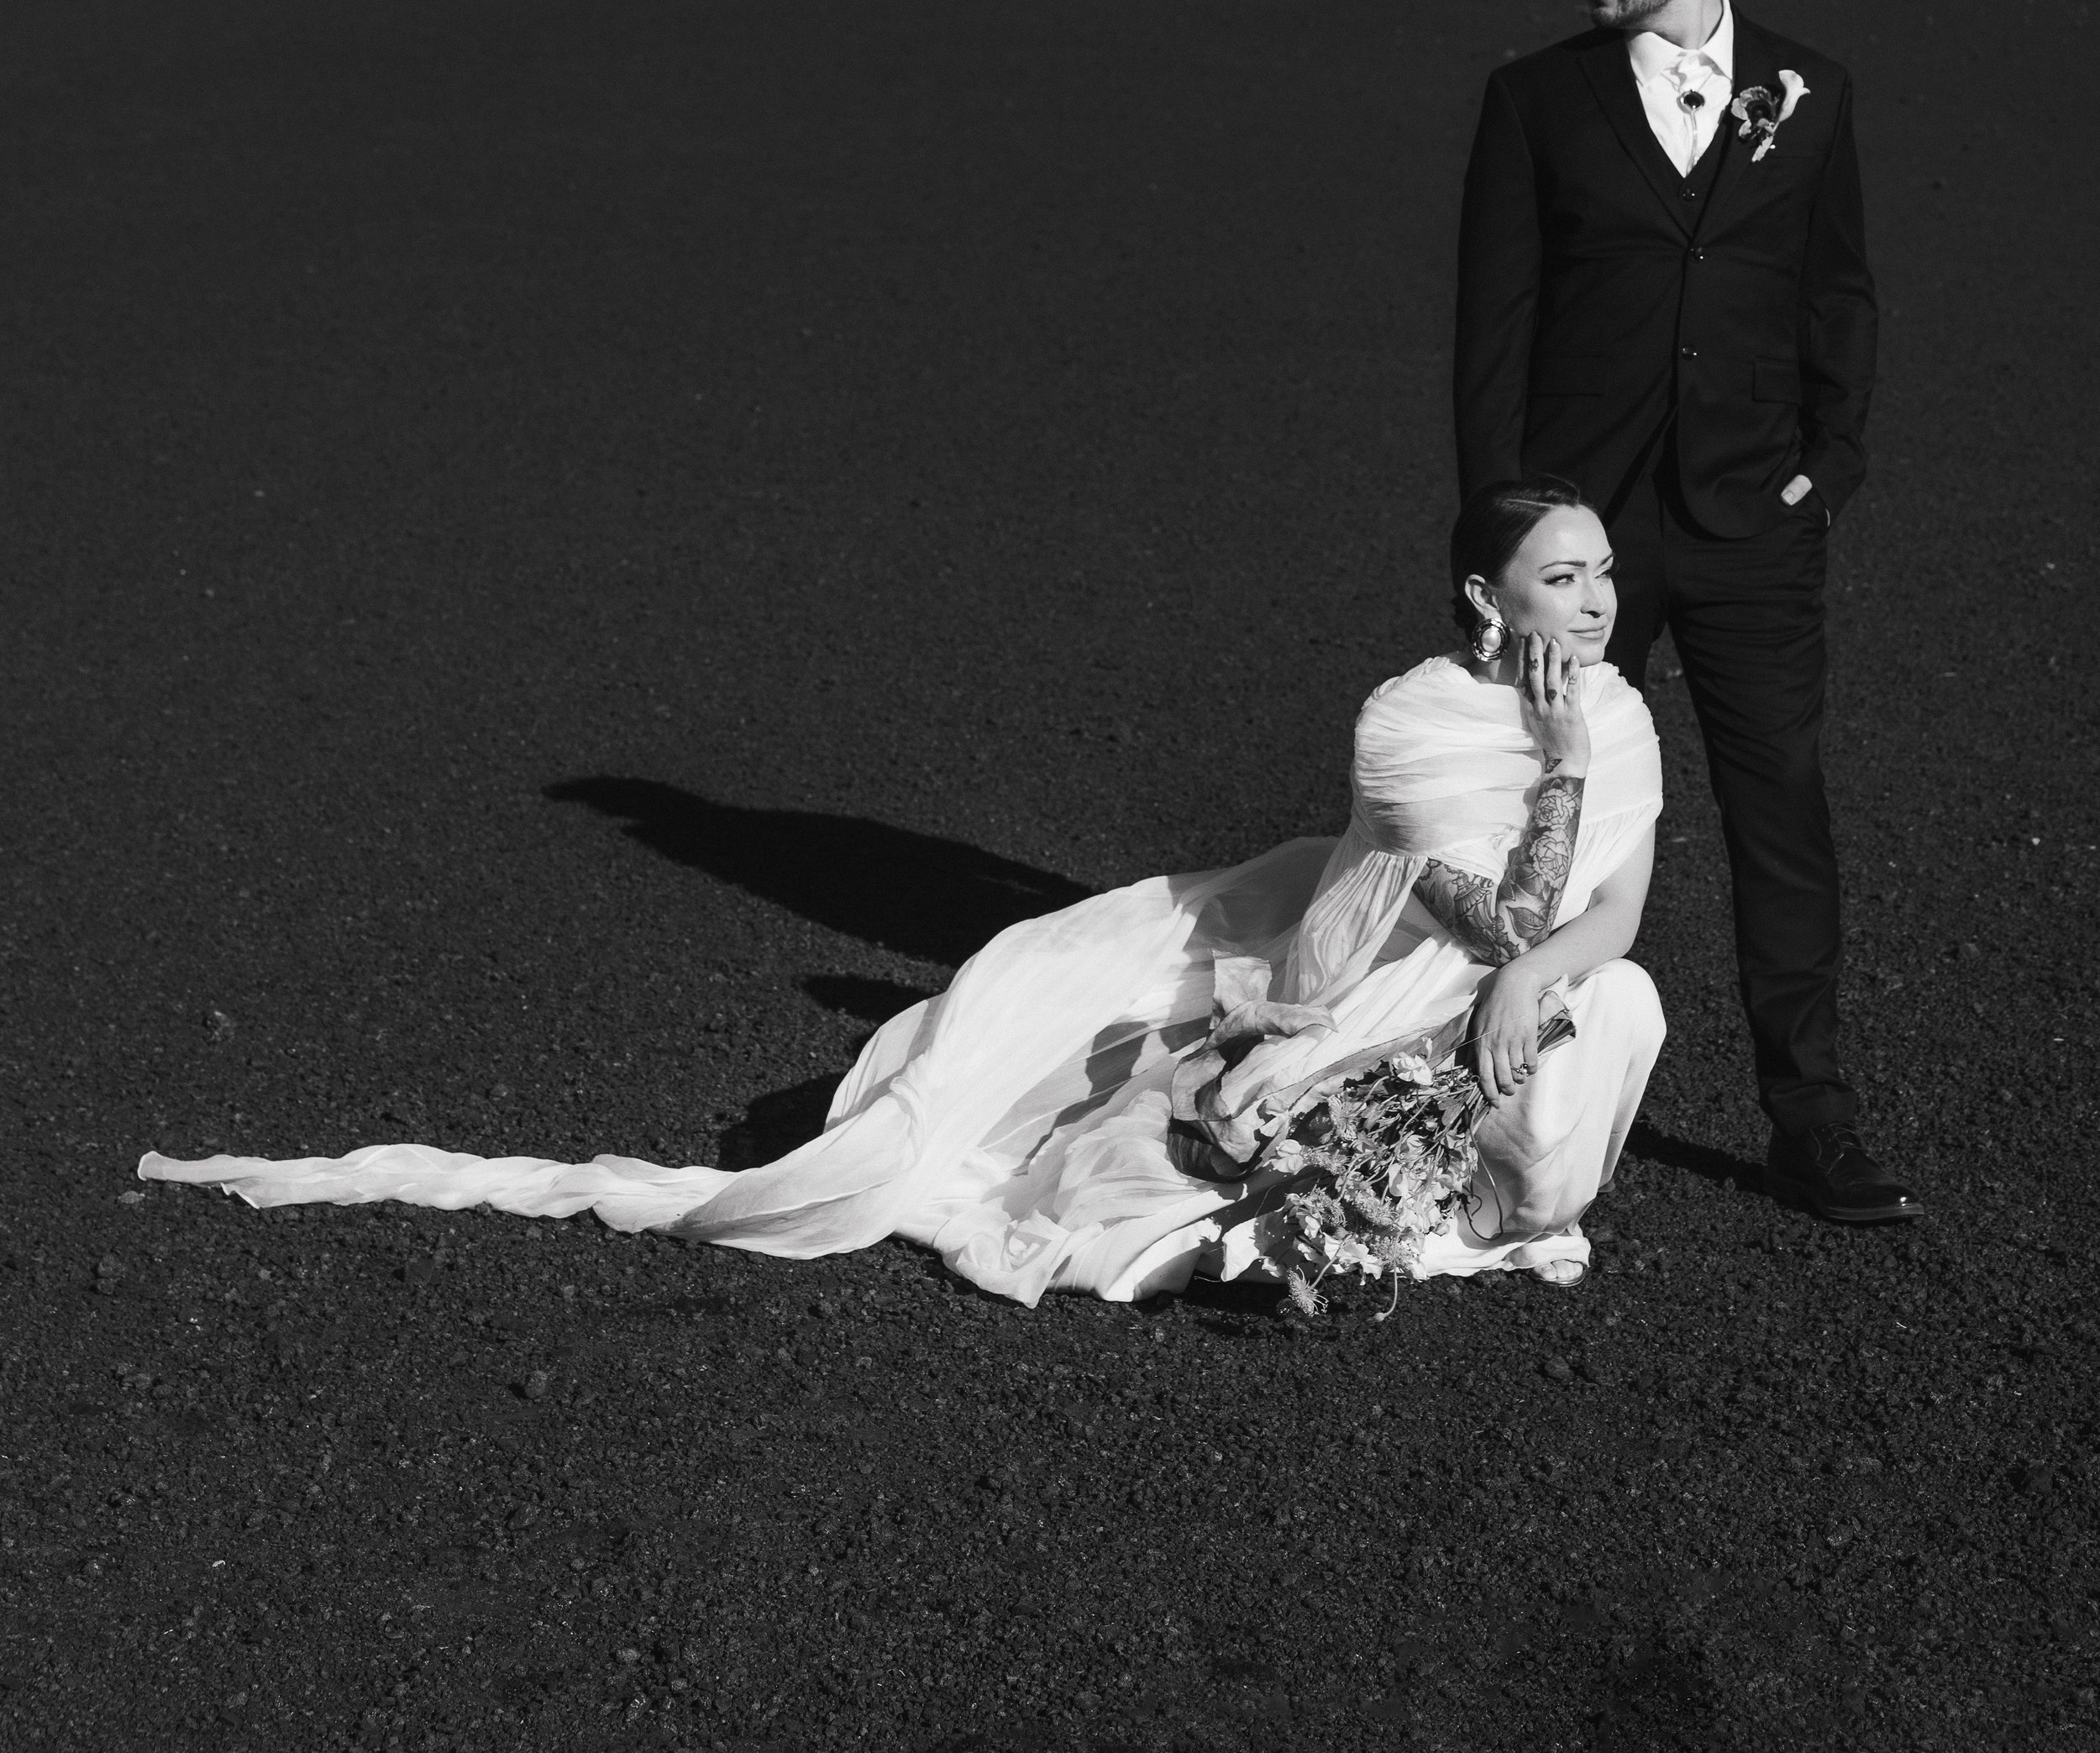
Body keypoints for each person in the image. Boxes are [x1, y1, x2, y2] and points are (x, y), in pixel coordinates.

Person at [140, 484, 1663, 1301]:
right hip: (1390, 982)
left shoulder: (1620, 709)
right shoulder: (1409, 725)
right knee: (1332, 1187)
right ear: (1486, 599)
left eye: (1602, 575)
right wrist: (1556, 776)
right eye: (1563, 578)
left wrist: (1542, 968)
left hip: (1498, 991)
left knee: (1616, 1022)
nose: (1595, 601)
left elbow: (1605, 922)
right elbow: (1505, 910)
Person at [1454, 0, 1918, 1225]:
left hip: (1750, 526)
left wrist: (1827, 467)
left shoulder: (1811, 89)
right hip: (1578, 541)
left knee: (1780, 813)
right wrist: (1501, 543)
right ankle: (1467, 1107)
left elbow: (1836, 288)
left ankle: (1811, 1121)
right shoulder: (1539, 98)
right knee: (1521, 805)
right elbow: (1492, 329)